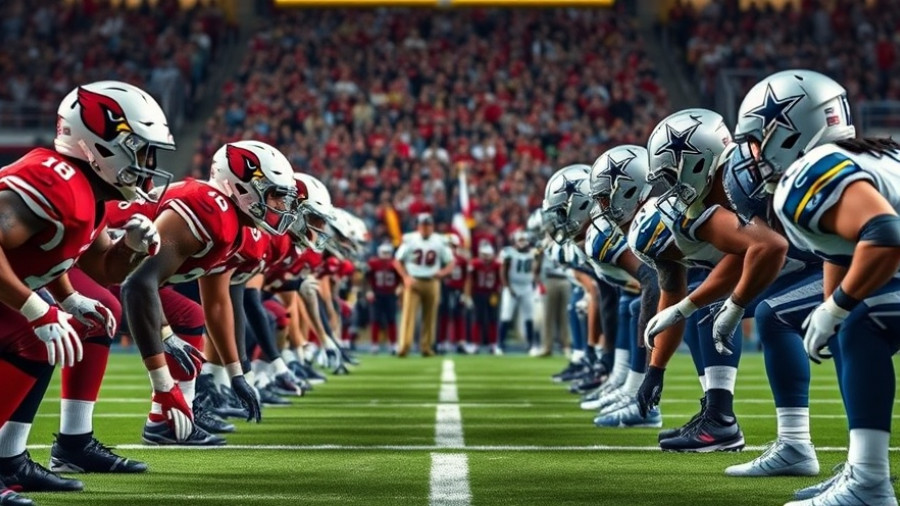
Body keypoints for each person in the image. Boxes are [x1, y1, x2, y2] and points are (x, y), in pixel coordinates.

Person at [0, 81, 176, 505]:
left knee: (64, 330)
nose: (148, 164)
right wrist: (35, 308)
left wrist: (129, 249)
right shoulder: (53, 180)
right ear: (98, 144)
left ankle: (9, 460)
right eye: (140, 150)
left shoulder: (90, 191)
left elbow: (98, 266)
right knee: (32, 334)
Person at [731, 69, 895, 505]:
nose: (748, 154)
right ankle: (862, 469)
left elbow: (885, 234)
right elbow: (842, 253)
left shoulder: (808, 172)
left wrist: (837, 309)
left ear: (790, 130)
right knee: (852, 327)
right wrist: (832, 310)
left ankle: (869, 484)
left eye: (754, 139)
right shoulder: (864, 155)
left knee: (861, 324)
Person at [120, 140, 297, 445]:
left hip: (119, 271)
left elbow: (218, 302)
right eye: (275, 195)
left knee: (193, 313)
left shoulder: (238, 227)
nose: (281, 206)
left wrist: (236, 373)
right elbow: (136, 281)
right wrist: (164, 344)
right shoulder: (210, 210)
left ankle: (176, 416)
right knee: (188, 315)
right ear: (242, 187)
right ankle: (170, 416)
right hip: (97, 261)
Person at [393, 214, 454, 357]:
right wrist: (405, 277)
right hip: (414, 280)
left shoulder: (439, 241)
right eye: (423, 225)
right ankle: (404, 346)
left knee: (430, 316)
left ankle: (426, 347)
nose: (425, 229)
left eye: (428, 226)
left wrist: (443, 272)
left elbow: (451, 261)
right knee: (408, 314)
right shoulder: (410, 240)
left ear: (432, 226)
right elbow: (397, 261)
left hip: (432, 280)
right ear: (418, 226)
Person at [498, 230, 538, 355]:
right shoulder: (509, 252)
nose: (522, 243)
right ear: (514, 240)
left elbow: (537, 268)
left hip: (527, 286)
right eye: (520, 240)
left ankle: (531, 344)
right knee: (506, 315)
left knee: (529, 316)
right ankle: (500, 345)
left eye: (524, 240)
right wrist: (508, 287)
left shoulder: (533, 253)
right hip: (512, 286)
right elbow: (503, 270)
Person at [465, 241, 501, 354]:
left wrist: (499, 292)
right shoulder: (475, 264)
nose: (486, 258)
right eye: (484, 255)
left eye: (488, 255)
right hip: (478, 293)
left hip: (492, 294)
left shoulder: (497, 265)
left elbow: (500, 279)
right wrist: (468, 295)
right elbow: (469, 280)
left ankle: (493, 344)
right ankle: (475, 344)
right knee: (477, 319)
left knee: (493, 319)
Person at [366, 243, 401, 354]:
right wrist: (369, 290)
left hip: (391, 294)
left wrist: (399, 288)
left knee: (391, 319)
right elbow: (366, 278)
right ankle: (374, 344)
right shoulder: (373, 263)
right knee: (375, 320)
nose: (385, 256)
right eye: (383, 253)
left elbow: (401, 278)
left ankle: (393, 344)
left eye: (387, 253)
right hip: (377, 294)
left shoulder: (395, 263)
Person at [439, 235, 468, 354]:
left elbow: (467, 278)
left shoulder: (462, 260)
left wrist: (465, 293)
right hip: (444, 289)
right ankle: (442, 341)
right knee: (443, 316)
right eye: (448, 246)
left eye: (452, 246)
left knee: (458, 316)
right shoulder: (441, 260)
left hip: (457, 289)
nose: (450, 249)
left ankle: (459, 341)